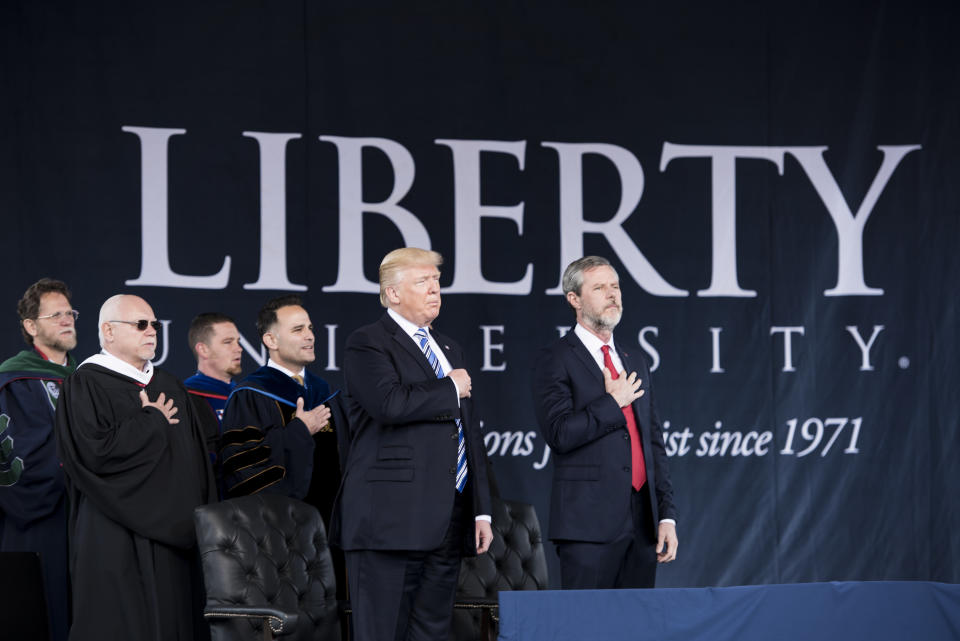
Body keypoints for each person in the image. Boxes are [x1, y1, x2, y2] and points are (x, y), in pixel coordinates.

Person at [331, 247, 493, 641]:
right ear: (393, 294)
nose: (435, 289)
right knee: (382, 632)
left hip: (447, 518)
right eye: (423, 281)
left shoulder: (450, 347)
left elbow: (469, 433)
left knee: (432, 632)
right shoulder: (367, 342)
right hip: (388, 520)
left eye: (437, 281)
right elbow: (389, 403)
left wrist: (481, 510)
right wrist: (449, 387)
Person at [55, 294, 215, 641]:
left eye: (154, 325)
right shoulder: (85, 383)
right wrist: (151, 422)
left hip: (174, 538)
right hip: (113, 533)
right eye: (140, 324)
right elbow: (93, 455)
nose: (152, 331)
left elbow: (195, 467)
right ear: (108, 331)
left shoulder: (170, 385)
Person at [532, 256, 678, 589]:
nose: (612, 294)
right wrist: (613, 402)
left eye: (615, 286)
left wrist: (665, 514)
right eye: (599, 288)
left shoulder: (634, 358)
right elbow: (560, 433)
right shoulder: (555, 358)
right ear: (575, 300)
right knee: (586, 627)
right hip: (587, 526)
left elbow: (653, 442)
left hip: (642, 523)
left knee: (635, 627)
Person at [219, 296, 346, 519]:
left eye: (310, 328)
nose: (310, 336)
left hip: (331, 527)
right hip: (277, 529)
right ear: (271, 340)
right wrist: (299, 431)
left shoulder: (326, 392)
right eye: (298, 330)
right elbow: (241, 468)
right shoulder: (251, 395)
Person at [0, 278, 78, 641]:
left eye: (69, 313)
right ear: (31, 326)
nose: (67, 320)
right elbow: (23, 457)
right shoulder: (16, 379)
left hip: (85, 520)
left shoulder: (84, 380)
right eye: (56, 314)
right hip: (39, 519)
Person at [184, 312, 243, 497]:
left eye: (238, 341)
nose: (239, 348)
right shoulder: (188, 399)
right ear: (203, 350)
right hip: (214, 509)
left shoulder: (247, 397)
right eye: (228, 342)